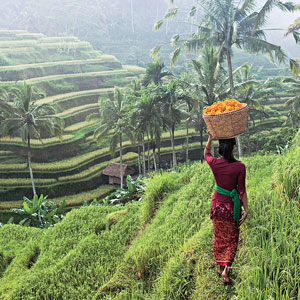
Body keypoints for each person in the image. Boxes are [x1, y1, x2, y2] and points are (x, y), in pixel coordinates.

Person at [204, 131, 248, 284]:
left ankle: (219, 266)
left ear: (221, 148)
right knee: (231, 239)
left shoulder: (215, 164)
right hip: (231, 208)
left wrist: (210, 138)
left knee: (219, 237)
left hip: (217, 207)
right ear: (234, 147)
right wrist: (246, 209)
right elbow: (241, 190)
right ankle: (226, 270)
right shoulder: (240, 167)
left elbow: (206, 153)